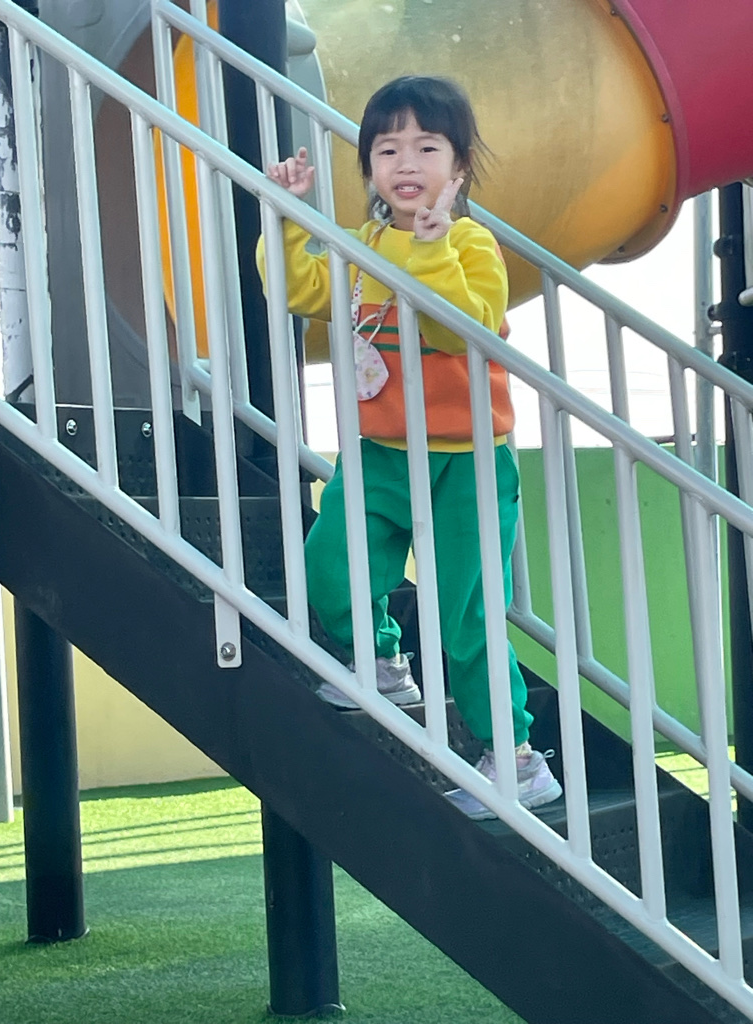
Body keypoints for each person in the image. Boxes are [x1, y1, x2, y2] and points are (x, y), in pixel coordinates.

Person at [256, 75, 561, 817]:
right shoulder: (362, 246)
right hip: (381, 453)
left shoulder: (470, 244)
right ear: (369, 169)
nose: (406, 163)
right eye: (387, 149)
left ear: (458, 169)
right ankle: (384, 661)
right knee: (331, 565)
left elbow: (462, 331)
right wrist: (287, 215)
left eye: (427, 147)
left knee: (467, 618)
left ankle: (516, 760)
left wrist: (429, 249)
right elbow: (298, 288)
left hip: (465, 462)